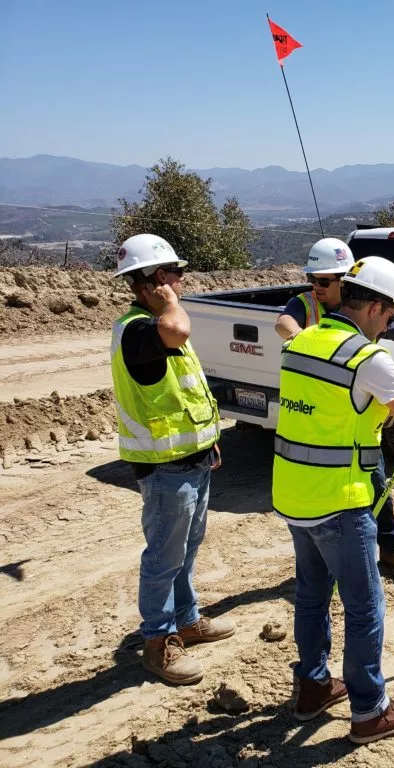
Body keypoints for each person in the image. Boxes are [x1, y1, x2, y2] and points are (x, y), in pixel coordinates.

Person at [272, 256, 394, 742]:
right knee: (364, 607)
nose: (388, 325)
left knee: (313, 597)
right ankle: (369, 710)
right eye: (388, 315)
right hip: (340, 500)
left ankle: (314, 686)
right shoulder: (366, 358)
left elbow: (337, 407)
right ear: (377, 307)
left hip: (294, 493)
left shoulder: (302, 340)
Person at [110, 234, 235, 686]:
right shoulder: (141, 329)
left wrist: (208, 442)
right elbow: (179, 329)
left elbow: (184, 392)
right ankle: (158, 644)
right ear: (158, 278)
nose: (182, 280)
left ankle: (187, 620)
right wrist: (168, 303)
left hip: (192, 459)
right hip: (165, 469)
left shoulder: (156, 324)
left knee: (186, 548)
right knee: (163, 557)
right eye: (175, 273)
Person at [275, 237, 394, 578]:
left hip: (361, 420)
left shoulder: (369, 308)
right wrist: (309, 343)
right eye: (313, 279)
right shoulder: (305, 305)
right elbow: (284, 326)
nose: (316, 287)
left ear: (345, 282)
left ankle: (390, 549)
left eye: (325, 281)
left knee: (377, 486)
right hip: (327, 416)